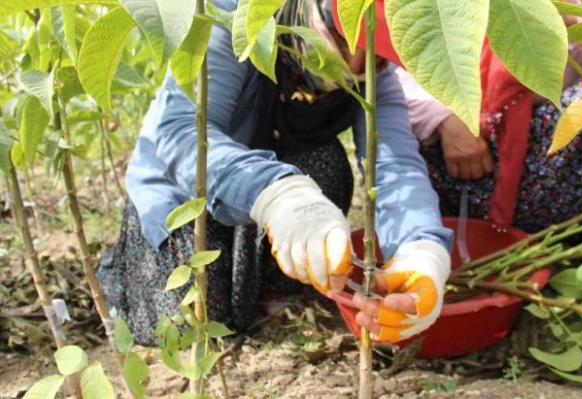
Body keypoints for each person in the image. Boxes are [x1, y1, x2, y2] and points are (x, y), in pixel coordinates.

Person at [98, 0, 452, 345]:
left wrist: (421, 250)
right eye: (343, 40)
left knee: (324, 159)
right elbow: (182, 134)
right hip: (185, 192)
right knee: (186, 328)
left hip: (267, 205)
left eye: (373, 54)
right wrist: (278, 193)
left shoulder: (376, 77)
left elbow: (394, 165)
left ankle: (269, 287)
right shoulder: (235, 18)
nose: (353, 63)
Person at [395, 0, 582, 244]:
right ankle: (423, 243)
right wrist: (444, 117)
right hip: (451, 171)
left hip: (549, 163)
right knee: (389, 125)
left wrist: (575, 20)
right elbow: (385, 61)